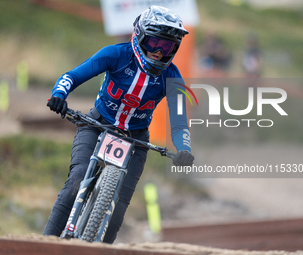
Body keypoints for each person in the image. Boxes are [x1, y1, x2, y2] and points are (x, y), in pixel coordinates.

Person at [44, 5, 194, 243]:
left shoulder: (173, 76)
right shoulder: (115, 54)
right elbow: (71, 76)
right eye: (155, 43)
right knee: (78, 178)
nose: (158, 52)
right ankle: (43, 243)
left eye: (167, 47)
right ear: (141, 37)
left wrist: (184, 149)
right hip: (97, 124)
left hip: (136, 139)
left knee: (118, 208)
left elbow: (179, 121)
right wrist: (59, 96)